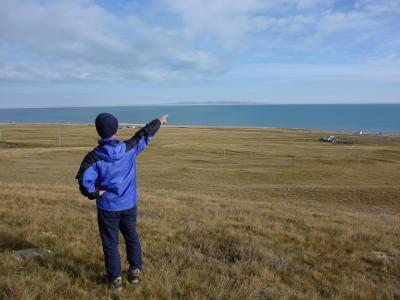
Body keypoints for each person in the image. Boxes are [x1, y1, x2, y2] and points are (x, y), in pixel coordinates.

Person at [75, 112, 168, 290]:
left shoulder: (93, 157)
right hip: (129, 204)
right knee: (131, 236)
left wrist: (95, 193)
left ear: (98, 131)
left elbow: (84, 183)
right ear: (116, 130)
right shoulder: (129, 148)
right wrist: (159, 121)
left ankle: (115, 280)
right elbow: (144, 134)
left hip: (107, 207)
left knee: (110, 243)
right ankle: (135, 272)